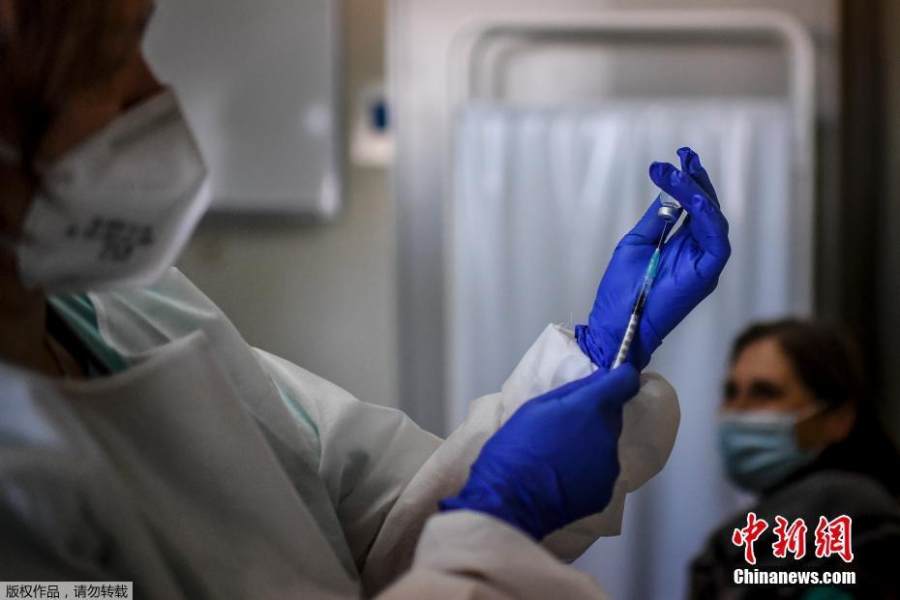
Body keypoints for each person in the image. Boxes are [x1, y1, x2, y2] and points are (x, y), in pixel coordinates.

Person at [0, 1, 730, 597]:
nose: (152, 95)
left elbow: (388, 520)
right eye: (102, 63)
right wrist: (496, 516)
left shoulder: (145, 313)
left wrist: (598, 354)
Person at [690, 319, 900, 600]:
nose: (738, 410)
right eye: (731, 393)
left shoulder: (856, 519)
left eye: (765, 393)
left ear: (837, 419)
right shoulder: (755, 531)